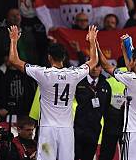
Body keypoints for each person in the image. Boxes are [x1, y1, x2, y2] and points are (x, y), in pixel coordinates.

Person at [7, 25, 99, 160]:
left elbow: (14, 61)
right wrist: (92, 41)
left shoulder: (43, 73)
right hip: (66, 130)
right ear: (64, 58)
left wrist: (14, 40)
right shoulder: (73, 74)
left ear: (49, 57)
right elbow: (94, 61)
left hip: (47, 129)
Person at [99, 34, 136, 160]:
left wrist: (96, 45)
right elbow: (132, 68)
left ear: (135, 61)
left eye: (132, 60)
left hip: (133, 133)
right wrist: (125, 50)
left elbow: (106, 66)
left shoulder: (132, 79)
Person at [74, 63, 111, 160]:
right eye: (93, 66)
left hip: (94, 130)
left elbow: (106, 108)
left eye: (98, 66)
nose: (94, 69)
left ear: (101, 68)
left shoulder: (106, 85)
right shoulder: (78, 82)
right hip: (77, 129)